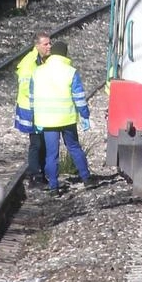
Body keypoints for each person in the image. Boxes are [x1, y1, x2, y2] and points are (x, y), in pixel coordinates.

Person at [31, 40, 93, 196]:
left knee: (51, 154)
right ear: (65, 54)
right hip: (67, 119)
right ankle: (86, 179)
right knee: (74, 148)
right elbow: (78, 97)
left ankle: (53, 186)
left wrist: (35, 117)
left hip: (46, 120)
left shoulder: (38, 72)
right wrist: (85, 114)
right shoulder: (70, 71)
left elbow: (32, 97)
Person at [14, 31, 53, 185]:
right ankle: (35, 175)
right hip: (31, 110)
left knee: (41, 142)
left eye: (50, 43)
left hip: (38, 108)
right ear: (37, 46)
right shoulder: (29, 63)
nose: (49, 46)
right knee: (36, 143)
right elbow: (26, 89)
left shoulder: (41, 60)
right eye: (46, 44)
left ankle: (38, 173)